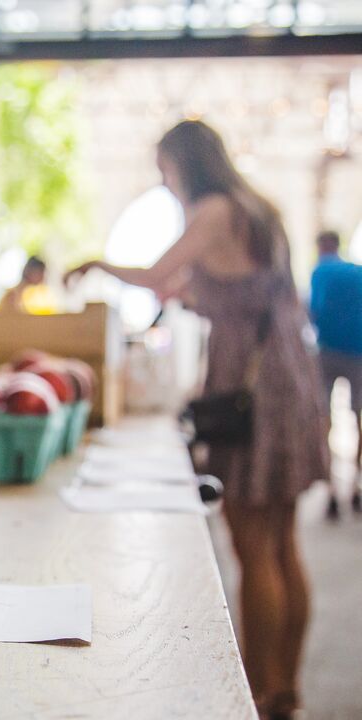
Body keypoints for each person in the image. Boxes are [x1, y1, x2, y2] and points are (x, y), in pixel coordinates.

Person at [66, 120, 328, 720]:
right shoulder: (254, 208)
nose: (164, 181)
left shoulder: (210, 209)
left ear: (185, 162)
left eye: (165, 168)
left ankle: (259, 694)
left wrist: (98, 264)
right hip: (287, 376)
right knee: (284, 541)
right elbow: (202, 287)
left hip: (251, 389)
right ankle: (286, 691)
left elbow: (158, 276)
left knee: (251, 541)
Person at [309, 229, 362, 519]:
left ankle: (331, 490)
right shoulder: (357, 272)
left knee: (325, 419)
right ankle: (354, 486)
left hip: (328, 351)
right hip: (358, 349)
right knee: (358, 418)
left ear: (321, 245)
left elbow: (313, 310)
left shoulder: (321, 271)